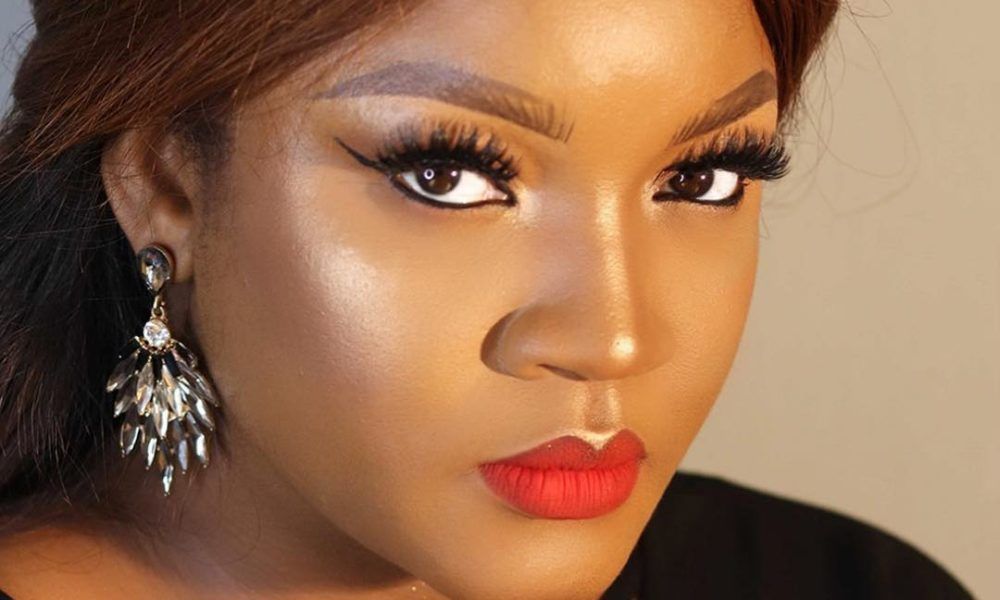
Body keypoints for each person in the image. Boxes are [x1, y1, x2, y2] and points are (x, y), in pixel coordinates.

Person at [0, 1, 975, 598]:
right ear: (164, 184)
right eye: (448, 176)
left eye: (701, 177)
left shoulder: (848, 583)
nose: (612, 339)